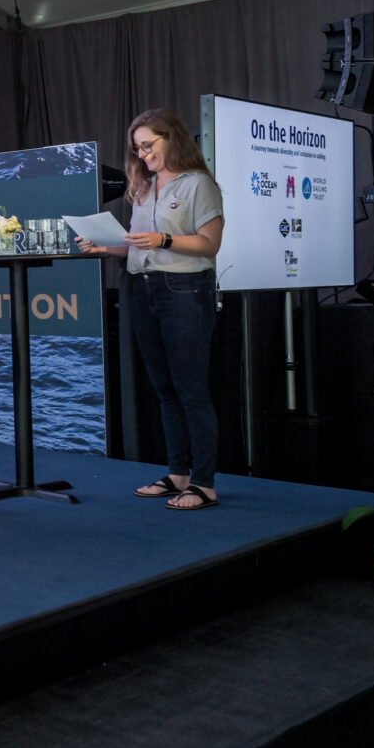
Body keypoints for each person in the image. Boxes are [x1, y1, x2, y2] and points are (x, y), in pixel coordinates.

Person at [77, 108, 224, 510]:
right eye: (137, 148)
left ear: (171, 138)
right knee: (164, 388)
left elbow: (209, 243)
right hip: (140, 287)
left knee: (191, 389)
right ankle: (179, 473)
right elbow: (139, 245)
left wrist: (162, 239)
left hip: (183, 289)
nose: (142, 155)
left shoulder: (199, 185)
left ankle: (205, 483)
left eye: (148, 145)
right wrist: (105, 247)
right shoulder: (143, 187)